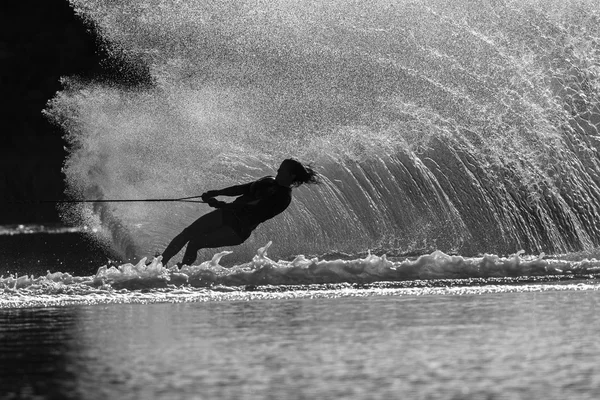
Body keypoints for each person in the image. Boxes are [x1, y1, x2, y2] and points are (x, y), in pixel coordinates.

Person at [160, 159, 320, 266]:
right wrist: (216, 193)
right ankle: (159, 264)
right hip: (227, 214)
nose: (277, 171)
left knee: (195, 243)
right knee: (188, 233)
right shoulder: (269, 180)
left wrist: (221, 205)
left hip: (237, 230)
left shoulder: (283, 198)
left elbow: (252, 210)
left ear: (291, 176)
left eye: (281, 171)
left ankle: (180, 273)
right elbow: (241, 189)